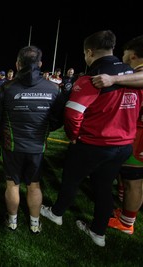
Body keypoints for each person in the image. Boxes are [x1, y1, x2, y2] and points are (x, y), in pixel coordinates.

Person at [40, 30, 143, 247]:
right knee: (104, 186)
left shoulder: (92, 78)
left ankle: (56, 213)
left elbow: (73, 114)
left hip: (95, 142)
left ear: (89, 52)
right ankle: (98, 233)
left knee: (71, 179)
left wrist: (74, 136)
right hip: (124, 144)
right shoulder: (134, 76)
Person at [0, 45, 65, 234]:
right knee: (34, 184)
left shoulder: (6, 87)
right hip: (37, 146)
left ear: (17, 64)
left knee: (12, 183)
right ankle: (34, 223)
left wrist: (2, 132)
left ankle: (13, 221)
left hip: (12, 145)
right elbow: (58, 120)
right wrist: (44, 132)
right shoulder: (54, 89)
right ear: (40, 64)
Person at [91, 35, 143, 235]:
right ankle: (126, 211)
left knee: (134, 179)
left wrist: (113, 78)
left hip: (140, 133)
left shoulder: (136, 74)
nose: (122, 56)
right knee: (130, 176)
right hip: (135, 131)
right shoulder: (134, 74)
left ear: (133, 55)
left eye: (124, 53)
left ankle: (126, 222)